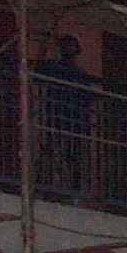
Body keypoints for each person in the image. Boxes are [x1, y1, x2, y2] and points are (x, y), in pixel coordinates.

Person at [36, 35, 95, 196]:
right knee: (51, 149)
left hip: (73, 119)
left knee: (72, 154)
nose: (68, 50)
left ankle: (72, 190)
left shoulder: (80, 74)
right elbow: (37, 70)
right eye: (66, 46)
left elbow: (88, 98)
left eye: (71, 46)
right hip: (57, 115)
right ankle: (47, 186)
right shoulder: (54, 67)